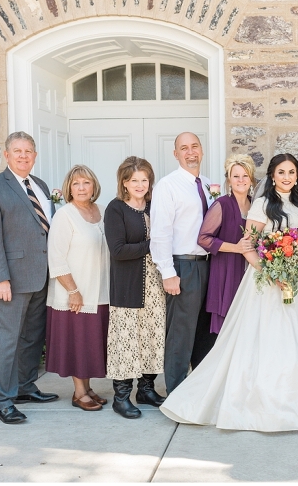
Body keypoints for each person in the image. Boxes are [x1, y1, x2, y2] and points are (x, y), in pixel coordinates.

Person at [159, 153, 298, 432]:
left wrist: (290, 270)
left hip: (296, 277)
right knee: (264, 340)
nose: (287, 177)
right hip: (266, 282)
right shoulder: (263, 204)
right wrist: (273, 274)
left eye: (292, 172)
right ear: (272, 175)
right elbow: (248, 247)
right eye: (281, 172)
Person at [0, 131, 59, 425]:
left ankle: (25, 387)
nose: (24, 156)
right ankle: (3, 400)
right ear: (7, 154)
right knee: (8, 341)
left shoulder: (41, 185)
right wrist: (0, 278)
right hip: (12, 278)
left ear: (35, 156)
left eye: (28, 151)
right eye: (18, 151)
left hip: (42, 274)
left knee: (32, 337)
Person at [150, 132, 216, 394]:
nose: (191, 152)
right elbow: (160, 232)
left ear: (202, 150)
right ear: (176, 154)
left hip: (209, 265)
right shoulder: (168, 186)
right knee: (180, 332)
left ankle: (198, 388)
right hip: (183, 266)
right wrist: (168, 272)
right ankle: (175, 391)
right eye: (184, 148)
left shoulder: (209, 184)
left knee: (204, 331)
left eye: (195, 147)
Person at [104, 157, 167, 419]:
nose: (140, 185)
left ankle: (146, 389)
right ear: (124, 183)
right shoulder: (116, 209)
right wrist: (154, 244)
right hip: (128, 286)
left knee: (152, 337)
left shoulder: (155, 206)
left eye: (144, 179)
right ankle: (121, 397)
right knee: (126, 341)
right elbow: (118, 250)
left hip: (156, 285)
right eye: (134, 180)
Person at [45, 165, 110, 412]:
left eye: (86, 183)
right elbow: (57, 257)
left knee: (89, 343)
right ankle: (79, 392)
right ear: (68, 188)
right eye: (76, 184)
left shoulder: (102, 211)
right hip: (75, 293)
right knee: (78, 342)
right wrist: (73, 291)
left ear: (94, 186)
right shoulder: (65, 215)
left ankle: (88, 388)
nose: (81, 188)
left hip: (100, 291)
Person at [197, 154, 255, 334]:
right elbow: (204, 238)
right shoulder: (222, 204)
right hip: (227, 270)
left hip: (250, 272)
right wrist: (236, 248)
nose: (241, 180)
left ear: (251, 179)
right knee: (229, 328)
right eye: (236, 176)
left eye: (245, 175)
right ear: (229, 180)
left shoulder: (255, 205)